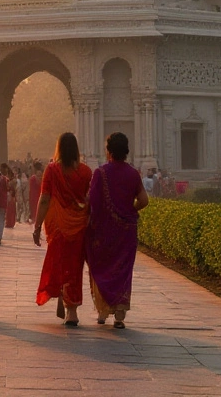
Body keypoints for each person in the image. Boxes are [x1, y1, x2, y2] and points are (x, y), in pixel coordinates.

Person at [85, 133, 148, 329]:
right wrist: (130, 210)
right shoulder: (133, 173)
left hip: (104, 230)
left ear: (108, 150)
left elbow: (92, 203)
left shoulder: (100, 173)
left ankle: (103, 310)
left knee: (102, 266)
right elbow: (144, 200)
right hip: (127, 230)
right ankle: (120, 313)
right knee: (122, 270)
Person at [33, 132, 92, 326]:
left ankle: (62, 295)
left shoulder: (52, 170)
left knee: (59, 264)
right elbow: (89, 200)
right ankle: (72, 310)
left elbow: (44, 199)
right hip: (79, 226)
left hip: (57, 226)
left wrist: (37, 225)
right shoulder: (85, 172)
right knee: (75, 267)